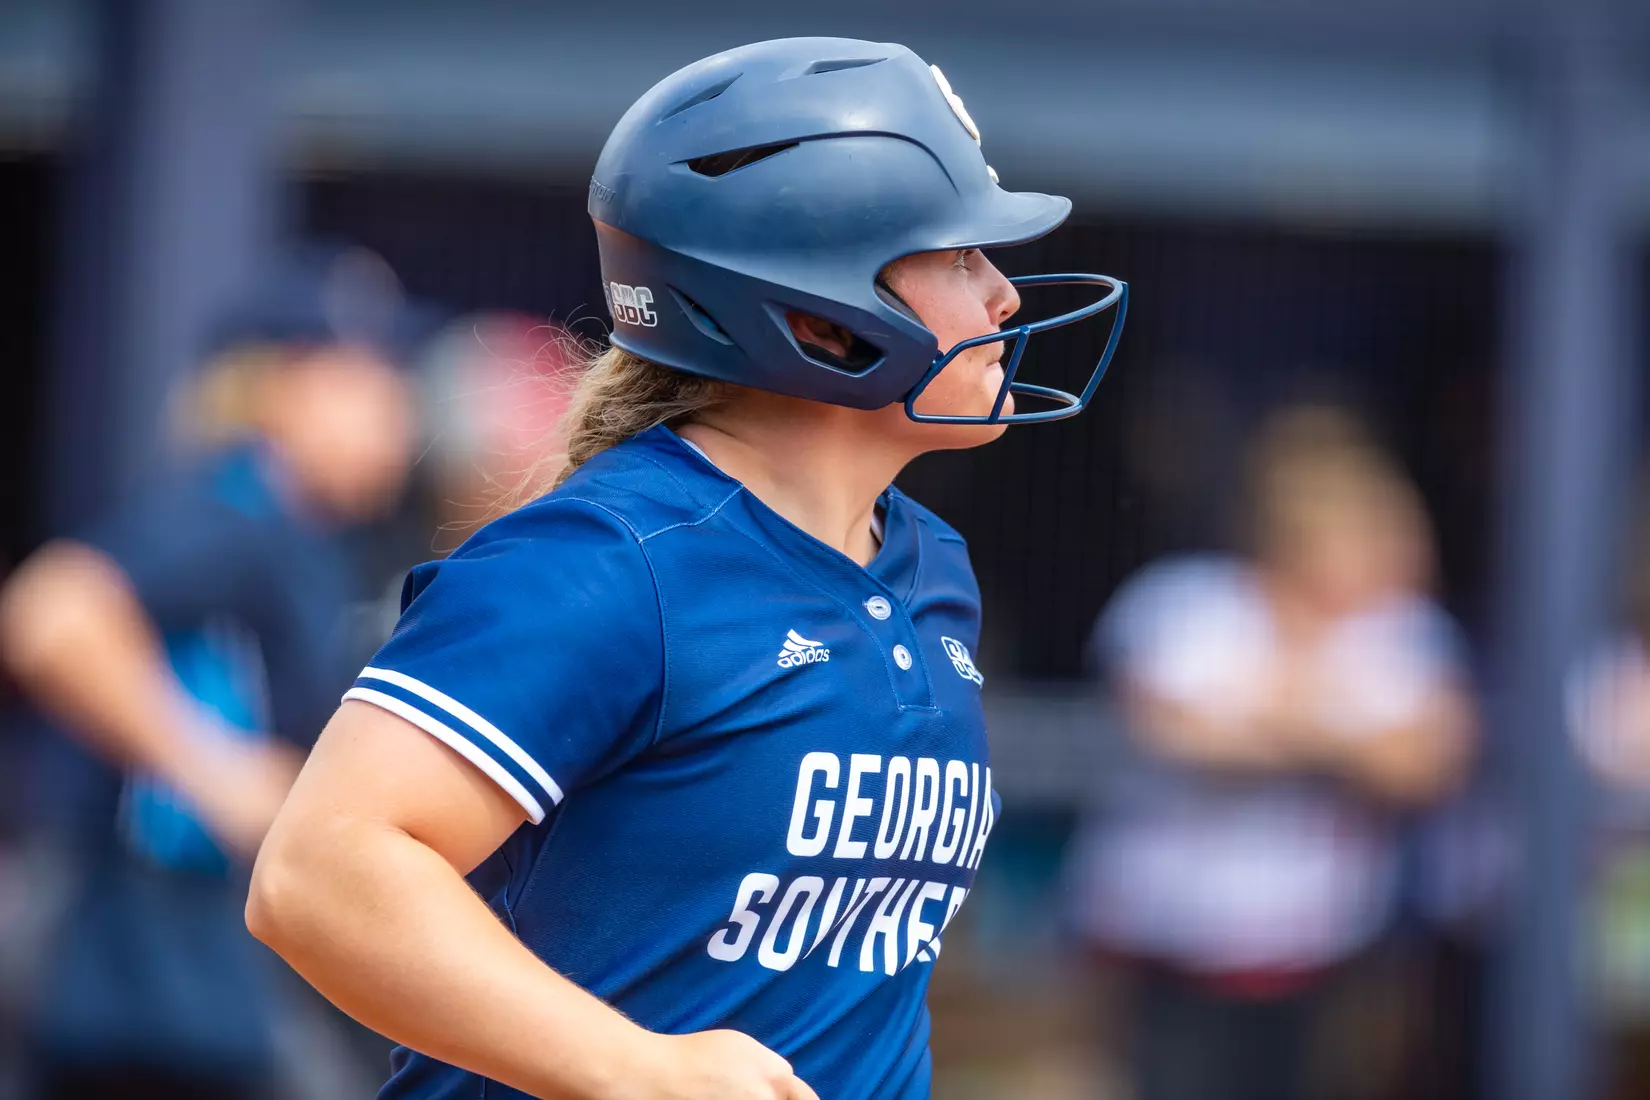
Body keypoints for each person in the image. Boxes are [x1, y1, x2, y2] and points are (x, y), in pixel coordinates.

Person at [245, 37, 1127, 1100]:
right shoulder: (610, 558)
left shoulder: (931, 566)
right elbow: (317, 873)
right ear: (818, 318)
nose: (1005, 298)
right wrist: (634, 1066)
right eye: (959, 255)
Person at [0, 245, 418, 1100]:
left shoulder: (309, 534)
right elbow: (51, 612)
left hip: (199, 975)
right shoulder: (232, 510)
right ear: (278, 387)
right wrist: (212, 766)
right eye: (361, 378)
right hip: (134, 961)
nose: (394, 409)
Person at [1064, 407, 1476, 1100]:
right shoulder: (1186, 599)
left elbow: (1426, 762)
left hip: (1324, 958)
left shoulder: (1402, 631)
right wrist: (1342, 732)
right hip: (1167, 954)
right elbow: (1177, 731)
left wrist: (1278, 719)